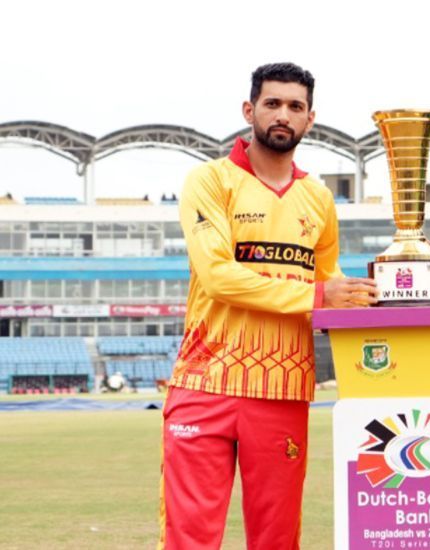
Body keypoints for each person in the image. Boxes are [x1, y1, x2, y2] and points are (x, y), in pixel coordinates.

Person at [157, 62, 378, 549]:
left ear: (310, 119)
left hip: (282, 388)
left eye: (295, 106)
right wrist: (320, 295)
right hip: (205, 380)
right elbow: (218, 277)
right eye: (272, 103)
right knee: (189, 539)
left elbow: (328, 281)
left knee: (277, 540)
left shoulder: (319, 198)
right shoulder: (210, 181)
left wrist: (387, 297)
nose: (283, 114)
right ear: (249, 109)